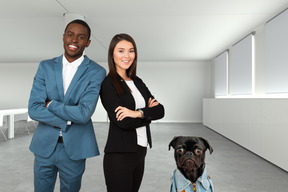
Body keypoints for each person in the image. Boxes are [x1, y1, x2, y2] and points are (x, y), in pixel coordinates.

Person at [28, 19, 106, 192]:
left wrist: (51, 104)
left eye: (80, 37)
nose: (74, 40)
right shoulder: (45, 66)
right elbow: (34, 109)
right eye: (70, 35)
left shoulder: (96, 72)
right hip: (44, 146)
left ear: (88, 42)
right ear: (63, 37)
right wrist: (66, 121)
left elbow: (84, 114)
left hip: (75, 148)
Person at [100, 33, 165, 192]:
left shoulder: (138, 82)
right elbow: (123, 122)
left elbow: (160, 110)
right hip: (119, 155)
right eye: (121, 51)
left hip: (140, 152)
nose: (127, 56)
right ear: (112, 54)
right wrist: (148, 114)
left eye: (131, 51)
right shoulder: (108, 84)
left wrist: (137, 113)